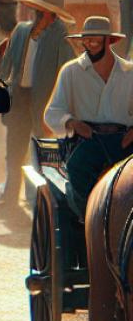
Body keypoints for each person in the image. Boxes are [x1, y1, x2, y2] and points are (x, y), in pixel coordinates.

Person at [0, 0, 76, 205]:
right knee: (14, 151)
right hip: (19, 98)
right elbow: (7, 66)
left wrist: (60, 105)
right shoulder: (21, 31)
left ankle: (37, 199)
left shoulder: (61, 37)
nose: (41, 14)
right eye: (40, 9)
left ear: (52, 13)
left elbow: (65, 72)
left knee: (42, 151)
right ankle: (10, 196)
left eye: (46, 11)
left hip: (44, 102)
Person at [45, 16, 133, 218]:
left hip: (124, 140)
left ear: (108, 41)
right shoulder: (71, 71)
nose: (90, 45)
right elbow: (52, 113)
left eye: (95, 40)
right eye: (86, 40)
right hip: (86, 139)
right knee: (78, 169)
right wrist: (73, 123)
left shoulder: (129, 72)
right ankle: (89, 221)